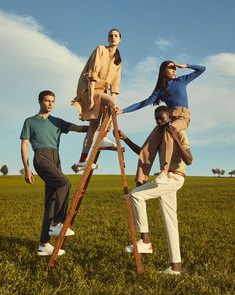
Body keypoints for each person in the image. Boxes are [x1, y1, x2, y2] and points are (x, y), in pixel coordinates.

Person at [118, 106, 193, 275]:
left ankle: (145, 240)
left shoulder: (179, 132)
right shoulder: (159, 135)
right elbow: (144, 152)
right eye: (157, 119)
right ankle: (176, 267)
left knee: (135, 195)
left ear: (170, 118)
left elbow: (189, 160)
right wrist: (125, 138)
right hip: (164, 179)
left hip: (174, 178)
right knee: (170, 224)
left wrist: (175, 138)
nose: (160, 122)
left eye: (162, 118)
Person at [20, 90, 89, 256]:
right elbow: (24, 145)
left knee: (51, 201)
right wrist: (27, 168)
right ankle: (57, 222)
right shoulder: (30, 121)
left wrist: (96, 126)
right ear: (40, 101)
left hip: (56, 159)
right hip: (41, 158)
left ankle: (43, 244)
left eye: (52, 101)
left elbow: (78, 128)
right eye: (47, 100)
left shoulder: (57, 121)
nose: (50, 103)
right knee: (65, 183)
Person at [118, 61, 205, 185]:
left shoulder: (181, 81)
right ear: (163, 71)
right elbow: (144, 102)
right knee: (148, 145)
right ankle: (140, 181)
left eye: (175, 68)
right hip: (168, 118)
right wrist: (122, 111)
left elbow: (202, 69)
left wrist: (185, 66)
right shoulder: (161, 90)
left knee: (170, 130)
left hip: (182, 117)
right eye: (171, 67)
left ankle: (164, 172)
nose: (174, 69)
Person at [71, 29, 122, 172]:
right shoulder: (100, 49)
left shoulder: (118, 61)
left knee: (93, 128)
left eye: (116, 36)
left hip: (102, 92)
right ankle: (103, 137)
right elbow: (92, 73)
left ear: (120, 40)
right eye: (111, 35)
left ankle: (82, 161)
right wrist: (91, 97)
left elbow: (115, 85)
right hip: (89, 89)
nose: (113, 37)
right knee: (111, 103)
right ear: (107, 38)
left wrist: (114, 104)